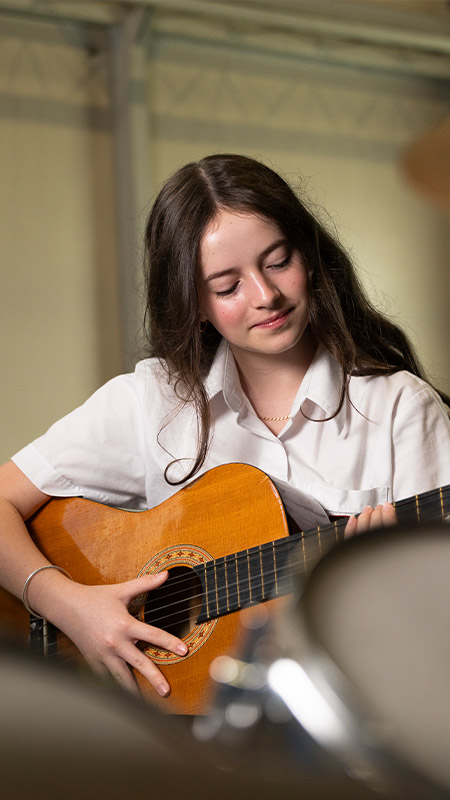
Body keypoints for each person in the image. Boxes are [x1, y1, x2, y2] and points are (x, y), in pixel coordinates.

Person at [0, 154, 449, 701]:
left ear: (309, 255)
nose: (265, 296)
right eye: (227, 285)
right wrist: (67, 605)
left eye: (278, 261)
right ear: (194, 304)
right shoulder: (151, 400)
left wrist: (378, 588)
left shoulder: (402, 407)